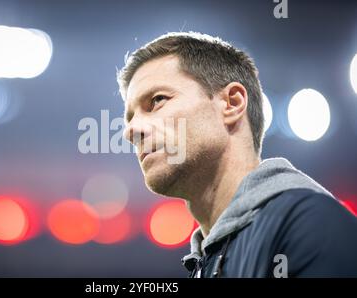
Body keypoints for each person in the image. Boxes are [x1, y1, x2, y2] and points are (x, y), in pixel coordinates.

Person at [117, 32, 357, 277]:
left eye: (157, 100)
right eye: (130, 117)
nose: (131, 131)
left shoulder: (310, 225)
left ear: (231, 103)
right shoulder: (207, 261)